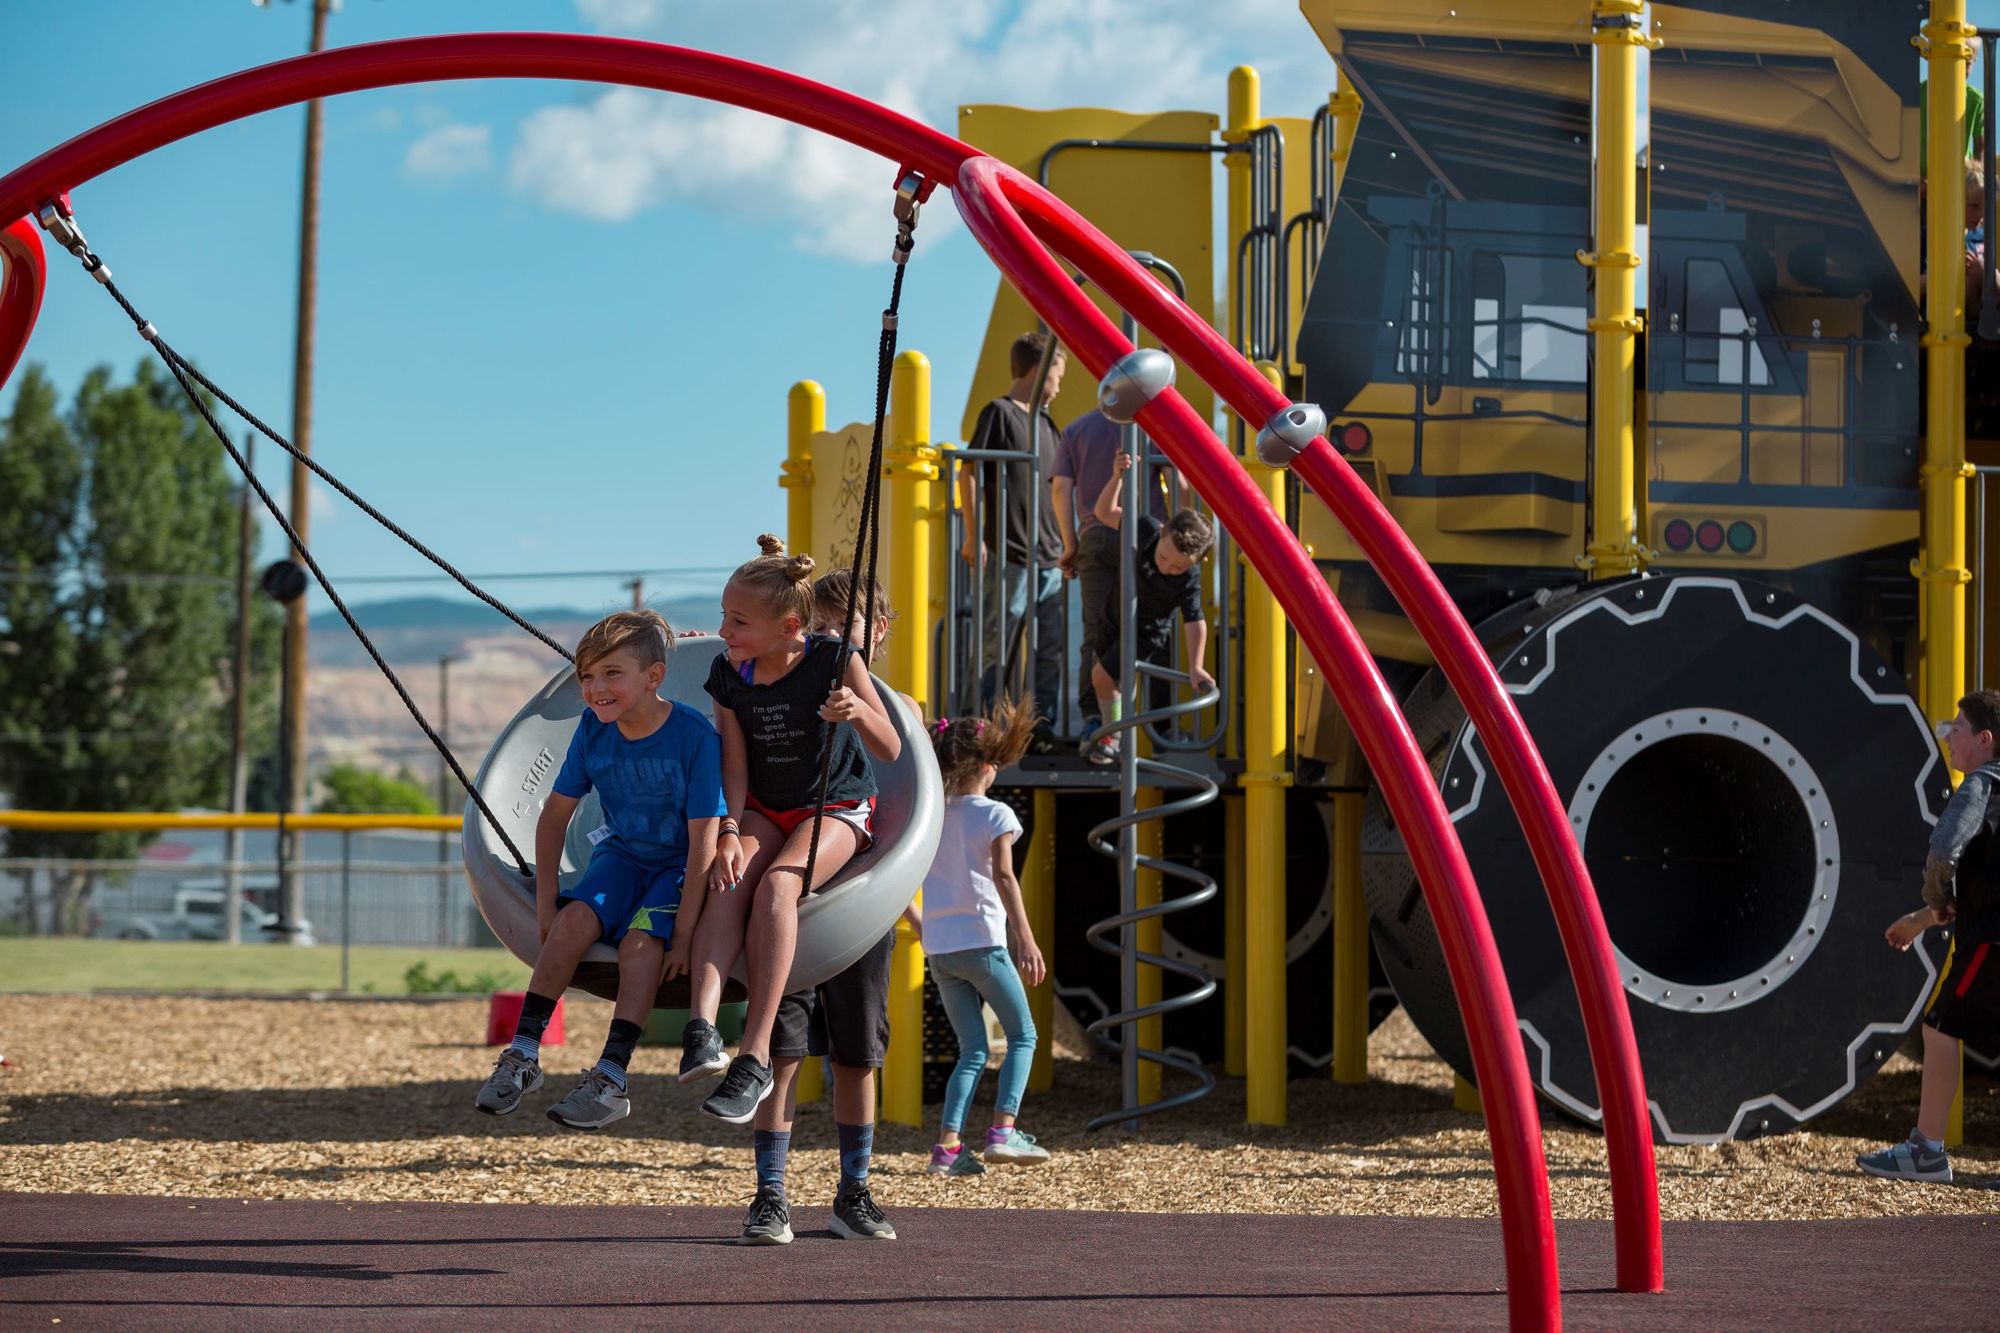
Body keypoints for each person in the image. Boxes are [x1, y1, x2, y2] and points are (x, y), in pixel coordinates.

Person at [678, 536, 902, 1137]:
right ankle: (701, 1030)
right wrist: (729, 830)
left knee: (779, 888)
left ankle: (752, 1056)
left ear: (790, 626)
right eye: (724, 615)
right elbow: (734, 765)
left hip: (835, 806)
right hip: (764, 807)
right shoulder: (729, 673)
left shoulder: (833, 660)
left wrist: (856, 710)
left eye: (738, 620)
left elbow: (890, 746)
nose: (723, 629)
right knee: (727, 881)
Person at [474, 608, 725, 1129]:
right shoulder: (593, 729)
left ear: (653, 677)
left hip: (677, 866)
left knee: (639, 945)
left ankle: (611, 1078)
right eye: (587, 676)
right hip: (621, 855)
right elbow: (554, 817)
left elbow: (704, 838)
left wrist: (684, 932)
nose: (595, 689)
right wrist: (546, 900)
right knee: (569, 925)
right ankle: (522, 1055)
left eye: (612, 673)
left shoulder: (693, 735)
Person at [721, 563, 908, 1246]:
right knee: (784, 1046)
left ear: (876, 632)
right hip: (792, 910)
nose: (829, 636)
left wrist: (859, 708)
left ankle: (854, 1188)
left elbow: (900, 755)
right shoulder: (783, 679)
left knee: (857, 1052)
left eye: (842, 625)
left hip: (857, 900)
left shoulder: (869, 692)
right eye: (819, 624)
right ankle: (770, 1193)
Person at [1856, 690, 2000, 1184]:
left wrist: (1933, 889)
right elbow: (1977, 890)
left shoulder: (1982, 784)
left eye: (1957, 729)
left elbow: (1945, 850)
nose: (1950, 737)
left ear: (1984, 739)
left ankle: (1926, 1152)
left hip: (1992, 943)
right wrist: (1922, 919)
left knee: (1940, 1027)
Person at [911, 696, 1053, 1176]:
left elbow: (910, 878)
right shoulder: (995, 815)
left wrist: (920, 924)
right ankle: (1003, 1130)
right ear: (989, 767)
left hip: (941, 951)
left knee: (971, 1049)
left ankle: (948, 1147)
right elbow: (1005, 878)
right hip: (983, 944)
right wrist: (1027, 941)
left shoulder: (935, 815)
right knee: (1023, 1036)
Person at [1053, 408, 1184, 738]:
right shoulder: (1155, 425)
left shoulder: (1076, 428)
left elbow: (1060, 491)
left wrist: (1070, 544)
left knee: (1097, 629)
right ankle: (1162, 725)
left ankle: (1097, 724)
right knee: (1155, 626)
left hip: (1096, 534)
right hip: (1148, 536)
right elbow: (1177, 482)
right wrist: (1178, 540)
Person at [961, 331, 1066, 742]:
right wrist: (974, 535)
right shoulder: (1000, 413)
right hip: (1011, 551)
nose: (1058, 387)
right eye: (1057, 376)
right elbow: (969, 470)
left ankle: (1042, 726)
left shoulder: (1047, 424)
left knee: (1049, 648)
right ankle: (986, 725)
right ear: (1039, 372)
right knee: (997, 645)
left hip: (1049, 555)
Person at [1081, 450, 1217, 765]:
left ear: (1197, 563)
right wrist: (1116, 477)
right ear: (1162, 531)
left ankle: (1112, 735)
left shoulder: (1189, 578)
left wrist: (1195, 665)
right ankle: (1114, 730)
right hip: (1113, 616)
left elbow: (1194, 619)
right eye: (1164, 557)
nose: (1167, 567)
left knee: (1103, 677)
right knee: (1102, 678)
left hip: (1146, 630)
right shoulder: (1145, 528)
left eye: (1177, 567)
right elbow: (1104, 512)